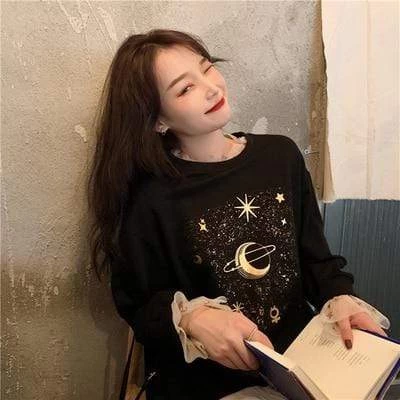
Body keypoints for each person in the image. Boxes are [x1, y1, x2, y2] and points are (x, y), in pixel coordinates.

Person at [87, 29, 390, 400]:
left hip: (302, 365)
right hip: (209, 385)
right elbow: (138, 305)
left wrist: (340, 299)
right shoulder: (151, 195)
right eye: (185, 88)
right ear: (157, 120)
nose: (211, 88)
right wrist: (191, 318)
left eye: (207, 68)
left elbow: (317, 262)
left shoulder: (280, 156)